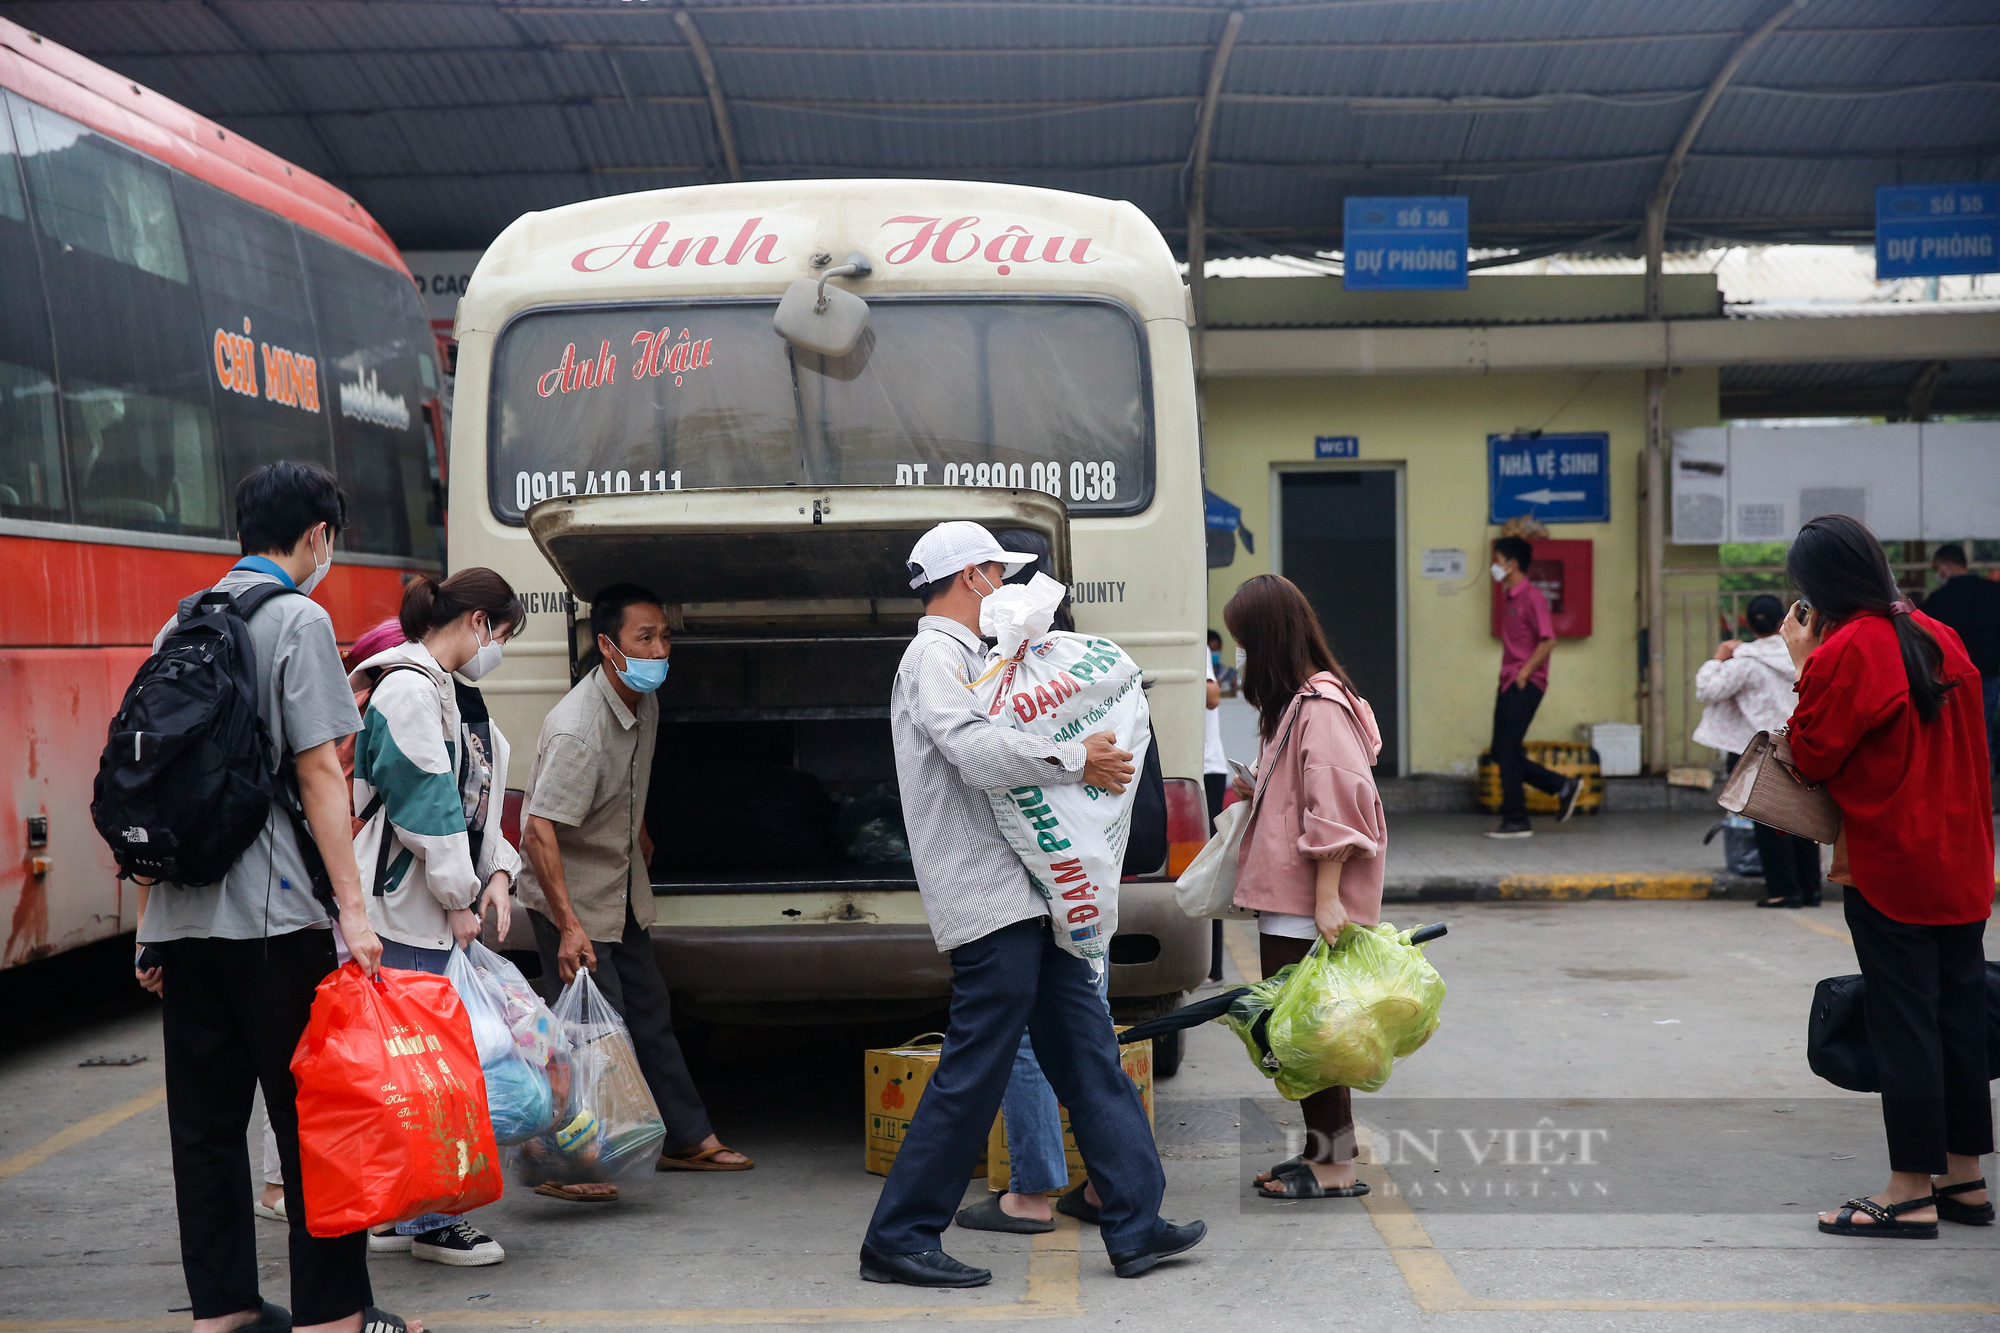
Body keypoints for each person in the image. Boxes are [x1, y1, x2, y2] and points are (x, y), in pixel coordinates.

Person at [861, 521, 1204, 1286]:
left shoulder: (982, 656)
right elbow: (974, 751)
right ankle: (899, 1233)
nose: (1005, 587)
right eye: (997, 573)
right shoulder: (934, 657)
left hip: (1035, 892)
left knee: (1089, 1054)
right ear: (971, 576)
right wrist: (1077, 757)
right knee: (976, 1063)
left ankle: (1136, 1222)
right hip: (990, 896)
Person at [132, 461, 421, 1333]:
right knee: (316, 1120)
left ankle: (220, 1311)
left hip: (184, 920)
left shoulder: (178, 623)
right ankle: (334, 1316)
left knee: (207, 1127)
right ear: (316, 537)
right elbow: (321, 775)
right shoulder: (300, 619)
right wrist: (357, 914)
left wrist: (150, 925)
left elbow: (151, 785)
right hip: (275, 920)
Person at [1780, 515, 1992, 1239]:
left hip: (1893, 865)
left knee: (1904, 1026)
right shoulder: (1939, 634)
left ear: (1817, 589)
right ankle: (1963, 1178)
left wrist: (1802, 658)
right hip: (1963, 861)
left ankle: (1907, 1191)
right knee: (1957, 1018)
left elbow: (1809, 754)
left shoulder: (1850, 650)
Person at [516, 583, 750, 1202]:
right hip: (569, 899)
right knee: (589, 1037)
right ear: (607, 647)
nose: (659, 648)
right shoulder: (578, 728)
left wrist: (638, 832)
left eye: (663, 635)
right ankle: (565, 1166)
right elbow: (539, 830)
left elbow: (627, 785)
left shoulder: (642, 703)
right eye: (644, 637)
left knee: (649, 1014)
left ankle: (685, 1138)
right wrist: (568, 925)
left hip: (619, 890)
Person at [349, 570, 527, 1266]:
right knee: (427, 1074)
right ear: (480, 621)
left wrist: (499, 875)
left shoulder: (447, 691)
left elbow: (473, 802)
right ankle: (429, 1219)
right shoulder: (408, 689)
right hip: (408, 913)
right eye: (503, 634)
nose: (499, 648)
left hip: (424, 911)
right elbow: (428, 808)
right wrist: (460, 898)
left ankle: (403, 1210)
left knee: (415, 1068)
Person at [1222, 574, 1388, 1201]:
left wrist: (1325, 898)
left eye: (1242, 641)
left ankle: (1334, 1164)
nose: (1237, 654)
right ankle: (1326, 1153)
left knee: (1308, 1031)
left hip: (1305, 903)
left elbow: (1338, 808)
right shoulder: (1297, 704)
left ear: (1266, 639)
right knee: (1302, 1029)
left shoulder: (1319, 706)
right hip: (1291, 898)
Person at [1692, 594, 1822, 909]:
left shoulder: (1745, 662)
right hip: (1801, 742)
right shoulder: (1802, 654)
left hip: (1761, 747)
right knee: (1803, 818)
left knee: (1768, 821)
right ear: (1783, 620)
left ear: (1747, 624)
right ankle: (1810, 889)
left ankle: (1783, 890)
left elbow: (1707, 690)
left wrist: (1718, 658)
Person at [1484, 536, 1583, 838]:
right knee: (1502, 752)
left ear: (1511, 564)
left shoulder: (1531, 597)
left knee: (1508, 750)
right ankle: (1561, 786)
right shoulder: (1511, 597)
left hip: (1525, 682)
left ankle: (1516, 819)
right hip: (1509, 681)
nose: (1495, 566)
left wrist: (1525, 671)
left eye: (1498, 560)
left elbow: (1549, 639)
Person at [1921, 543, 2000, 773]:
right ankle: (1984, 779)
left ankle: (1957, 778)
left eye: (1937, 568)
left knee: (1952, 729)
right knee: (1981, 727)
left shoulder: (1938, 599)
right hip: (1988, 672)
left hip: (1949, 676)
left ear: (1946, 566)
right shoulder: (1994, 592)